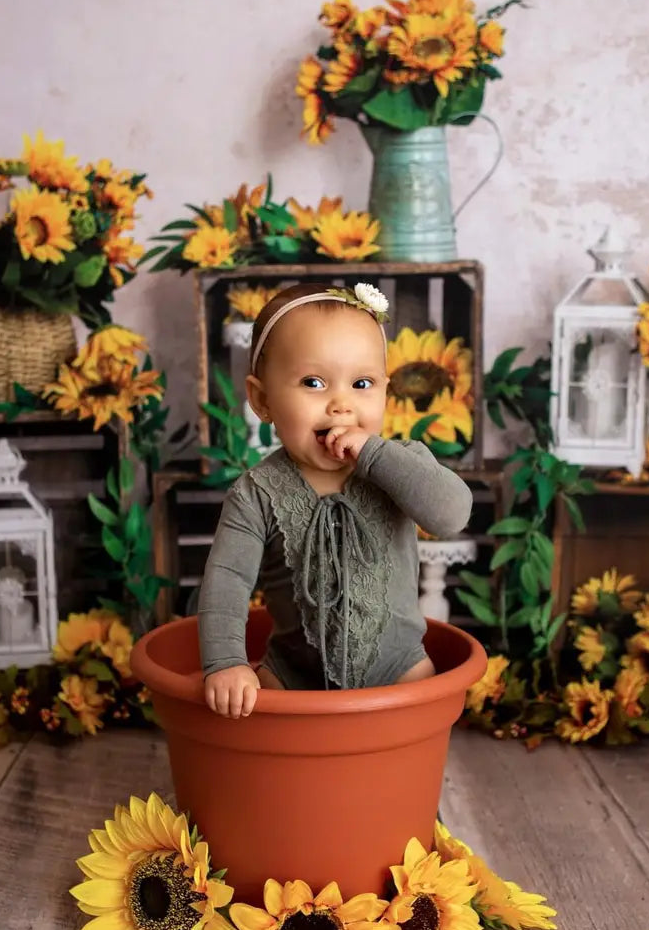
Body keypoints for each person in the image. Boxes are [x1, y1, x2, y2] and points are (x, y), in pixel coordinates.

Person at [198, 282, 473, 718]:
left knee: (411, 732)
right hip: (290, 675)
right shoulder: (256, 492)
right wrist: (226, 664)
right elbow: (227, 582)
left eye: (362, 383)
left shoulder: (401, 465)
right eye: (313, 382)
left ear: (386, 391)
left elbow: (452, 515)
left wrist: (376, 455)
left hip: (400, 668)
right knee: (261, 720)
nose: (341, 404)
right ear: (262, 400)